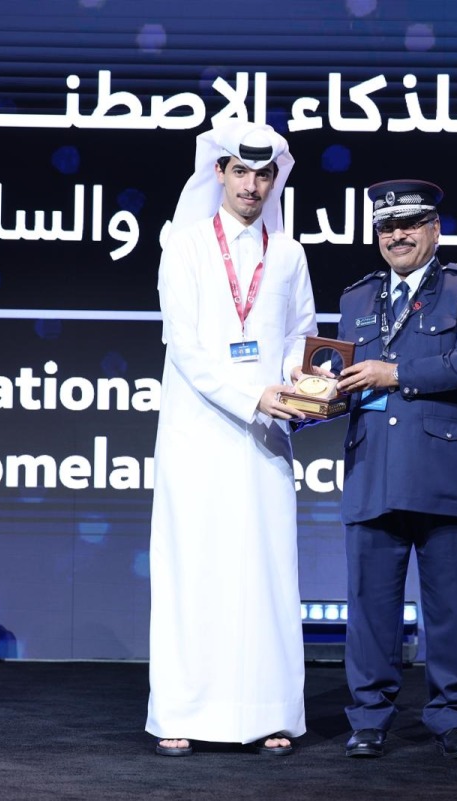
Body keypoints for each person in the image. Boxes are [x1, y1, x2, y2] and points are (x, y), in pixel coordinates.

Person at [146, 119, 317, 758]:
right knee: (194, 569)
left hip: (268, 437)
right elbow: (185, 347)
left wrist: (302, 388)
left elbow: (302, 334)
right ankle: (182, 710)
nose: (252, 185)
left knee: (265, 571)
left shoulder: (291, 252)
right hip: (199, 435)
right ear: (219, 173)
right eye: (241, 172)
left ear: (276, 179)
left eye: (264, 174)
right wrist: (254, 395)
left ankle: (269, 711)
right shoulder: (184, 245)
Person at [332, 179, 457, 759]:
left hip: (445, 471)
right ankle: (370, 717)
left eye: (410, 224)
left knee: (450, 607)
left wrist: (394, 373)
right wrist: (319, 399)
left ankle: (452, 717)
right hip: (372, 468)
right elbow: (346, 378)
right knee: (370, 608)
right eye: (387, 227)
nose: (397, 235)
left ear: (434, 229)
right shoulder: (356, 298)